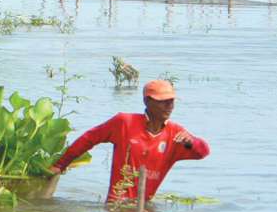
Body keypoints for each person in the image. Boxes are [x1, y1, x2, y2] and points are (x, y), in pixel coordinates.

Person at [49, 80, 210, 202]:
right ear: (147, 101)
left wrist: (192, 143)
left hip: (144, 204)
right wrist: (60, 165)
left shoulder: (176, 134)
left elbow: (203, 152)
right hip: (117, 203)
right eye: (163, 101)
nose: (169, 106)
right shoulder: (124, 122)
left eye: (172, 101)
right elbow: (88, 139)